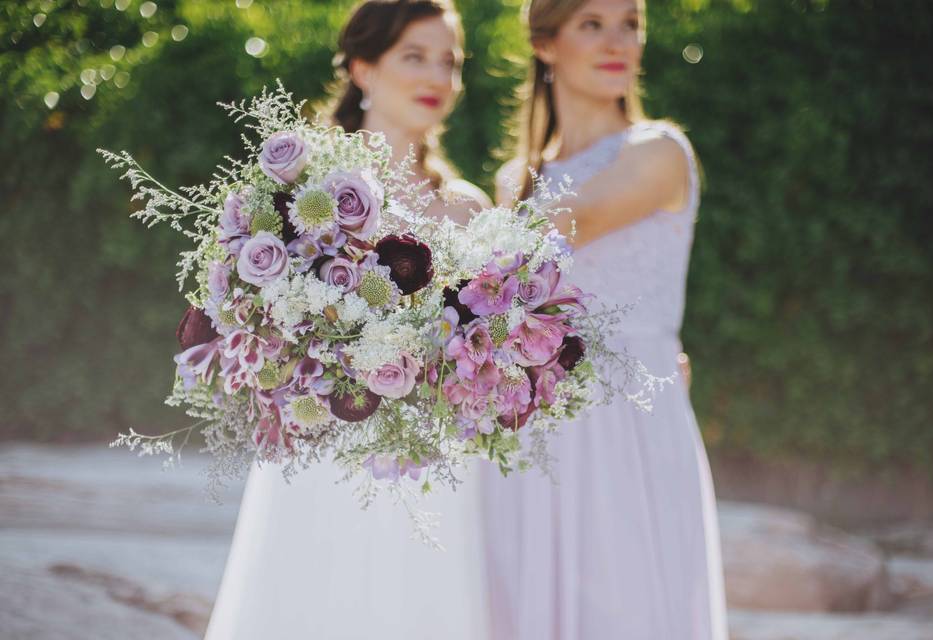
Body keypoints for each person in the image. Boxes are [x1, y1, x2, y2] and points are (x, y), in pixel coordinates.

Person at [203, 2, 491, 638]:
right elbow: (256, 321)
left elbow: (477, 349)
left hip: (431, 462)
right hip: (323, 451)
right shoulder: (304, 196)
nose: (437, 77)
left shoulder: (467, 207)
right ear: (364, 67)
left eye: (450, 61)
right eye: (414, 56)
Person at [478, 0, 729, 637]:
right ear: (545, 43)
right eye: (592, 24)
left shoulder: (659, 152)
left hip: (632, 419)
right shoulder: (516, 182)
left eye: (630, 25)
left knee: (627, 604)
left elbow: (565, 229)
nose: (618, 42)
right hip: (537, 423)